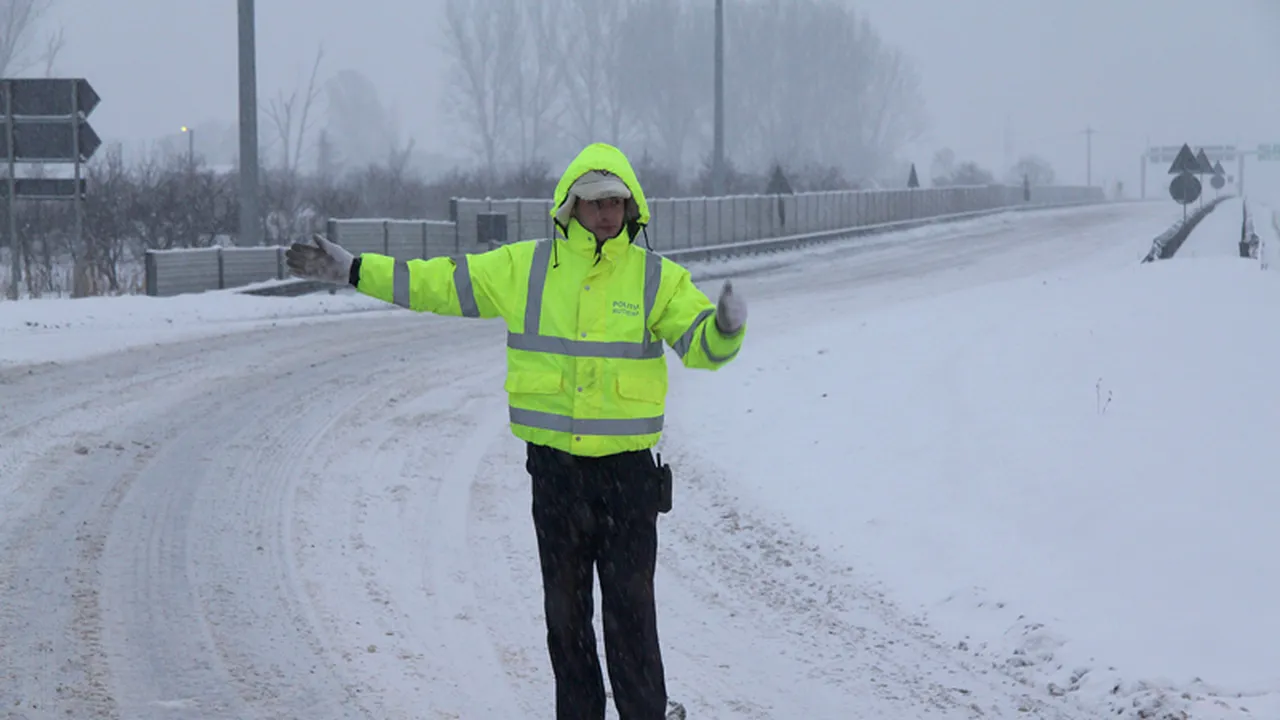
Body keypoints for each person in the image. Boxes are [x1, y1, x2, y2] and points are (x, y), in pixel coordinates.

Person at [285, 142, 747, 720]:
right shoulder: (522, 267)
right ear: (569, 207)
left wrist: (724, 329)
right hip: (556, 477)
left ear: (632, 208)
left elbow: (698, 343)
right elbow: (435, 282)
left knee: (631, 618)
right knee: (566, 620)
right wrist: (356, 270)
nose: (605, 213)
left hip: (629, 480)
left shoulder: (658, 278)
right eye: (593, 201)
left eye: (616, 202)